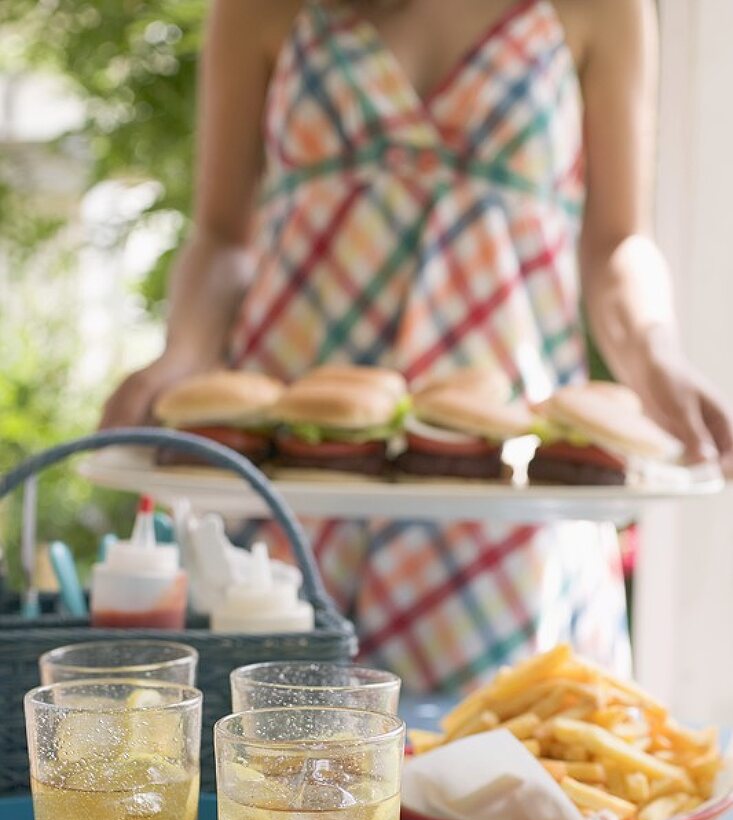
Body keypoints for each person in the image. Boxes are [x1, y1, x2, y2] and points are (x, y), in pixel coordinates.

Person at [102, 0, 733, 692]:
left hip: (503, 488)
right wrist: (186, 354)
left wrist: (653, 354)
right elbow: (223, 237)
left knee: (504, 756)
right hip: (291, 475)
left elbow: (616, 243)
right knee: (273, 751)